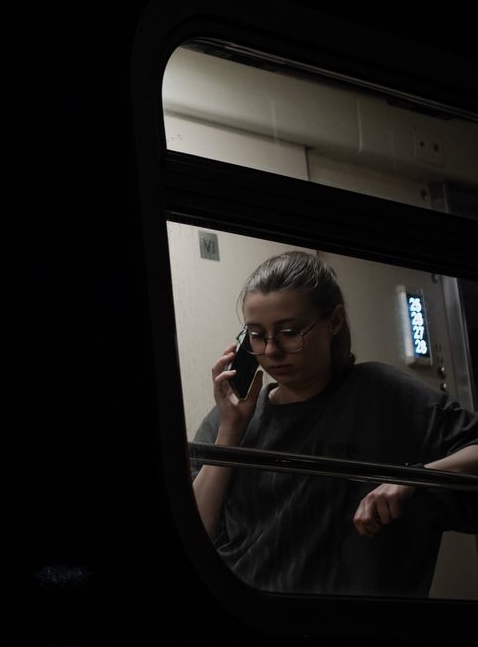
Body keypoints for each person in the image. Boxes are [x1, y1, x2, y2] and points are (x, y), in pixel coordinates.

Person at [192, 251, 478, 596]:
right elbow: (193, 533)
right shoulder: (232, 417)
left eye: (289, 332)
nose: (271, 351)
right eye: (256, 334)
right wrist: (230, 431)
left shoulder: (379, 393)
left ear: (335, 322)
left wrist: (416, 479)